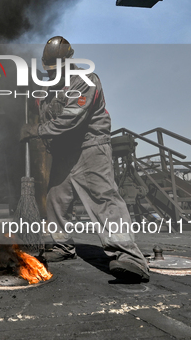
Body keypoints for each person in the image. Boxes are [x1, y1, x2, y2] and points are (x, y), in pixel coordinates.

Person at [20, 36, 149, 283]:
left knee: (104, 199)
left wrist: (35, 131)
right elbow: (44, 114)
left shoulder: (85, 81)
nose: (53, 74)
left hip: (90, 149)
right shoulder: (48, 89)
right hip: (64, 153)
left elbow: (70, 119)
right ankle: (62, 246)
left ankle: (130, 258)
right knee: (56, 199)